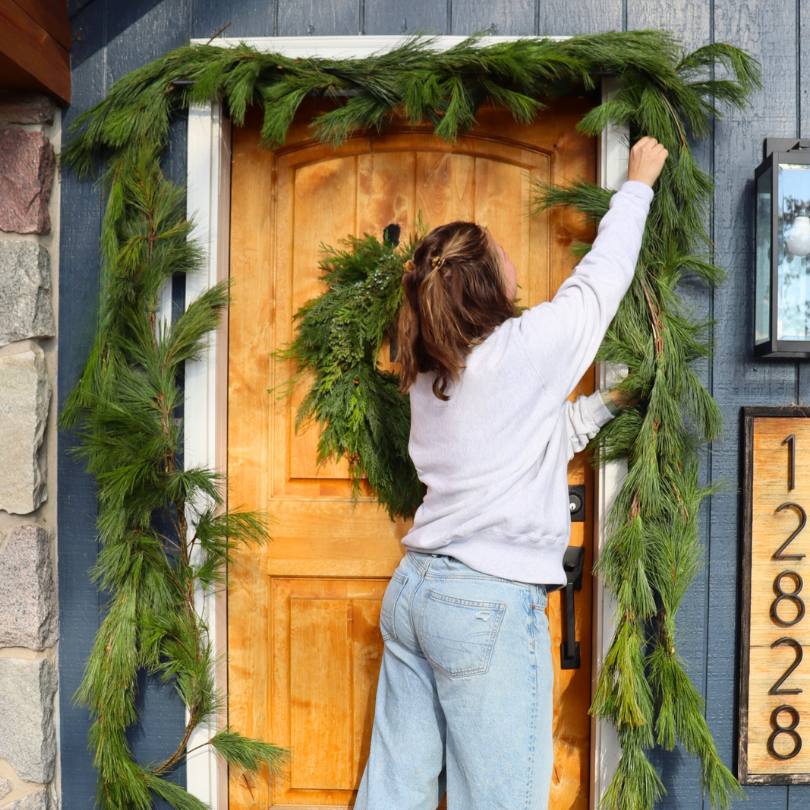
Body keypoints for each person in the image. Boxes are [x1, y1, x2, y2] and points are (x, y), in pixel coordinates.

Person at [353, 136, 668, 810]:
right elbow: (601, 280)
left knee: (394, 795)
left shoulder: (433, 379)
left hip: (417, 594)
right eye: (498, 248)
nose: (508, 252)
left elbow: (527, 443)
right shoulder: (522, 351)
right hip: (483, 607)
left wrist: (602, 408)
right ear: (487, 279)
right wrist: (638, 182)